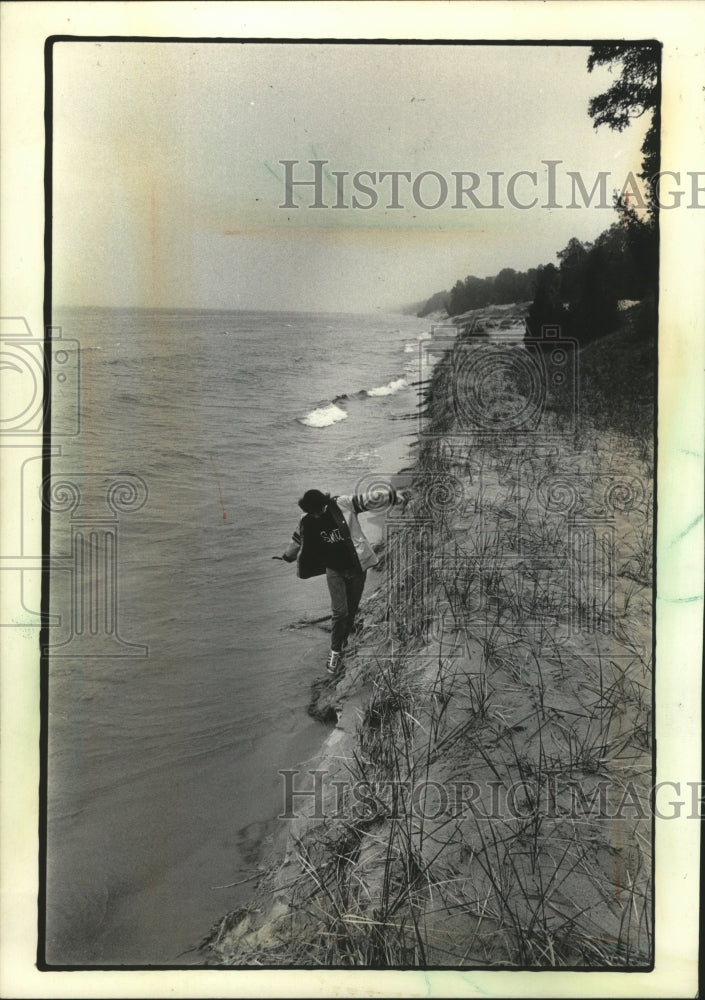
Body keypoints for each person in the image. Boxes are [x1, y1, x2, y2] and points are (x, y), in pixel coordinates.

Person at [274, 486, 409, 674]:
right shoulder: (306, 520)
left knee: (351, 610)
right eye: (312, 512)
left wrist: (393, 497)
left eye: (319, 510)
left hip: (356, 567)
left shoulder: (342, 504)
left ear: (324, 504)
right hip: (334, 569)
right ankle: (335, 652)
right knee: (340, 612)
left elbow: (368, 499)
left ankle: (344, 640)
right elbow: (297, 540)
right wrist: (287, 556)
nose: (317, 514)